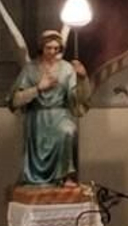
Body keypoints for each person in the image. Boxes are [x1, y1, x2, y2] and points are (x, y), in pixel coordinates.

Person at [7, 30, 92, 187]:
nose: (52, 51)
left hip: (61, 115)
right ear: (42, 48)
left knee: (68, 131)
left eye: (56, 48)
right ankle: (36, 179)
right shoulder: (31, 69)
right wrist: (39, 88)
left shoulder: (67, 68)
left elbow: (76, 98)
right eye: (49, 48)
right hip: (38, 118)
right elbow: (14, 99)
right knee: (41, 142)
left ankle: (65, 176)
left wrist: (82, 77)